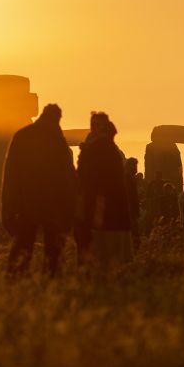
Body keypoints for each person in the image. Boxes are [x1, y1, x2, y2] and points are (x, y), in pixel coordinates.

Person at [1, 104, 76, 277]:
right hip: (51, 205)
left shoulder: (22, 136)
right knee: (53, 255)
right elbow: (68, 177)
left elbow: (11, 175)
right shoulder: (57, 140)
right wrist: (70, 208)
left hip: (26, 204)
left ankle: (15, 284)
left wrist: (7, 206)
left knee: (22, 251)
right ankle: (50, 284)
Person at [76, 113, 133, 272]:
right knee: (111, 260)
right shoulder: (110, 150)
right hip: (113, 214)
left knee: (99, 260)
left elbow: (91, 183)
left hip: (100, 213)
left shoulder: (98, 150)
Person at [124, 158, 142, 250]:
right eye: (134, 165)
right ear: (129, 166)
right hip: (129, 212)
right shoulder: (127, 178)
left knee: (135, 234)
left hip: (133, 212)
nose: (136, 167)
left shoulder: (131, 178)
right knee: (133, 234)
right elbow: (129, 197)